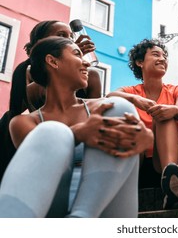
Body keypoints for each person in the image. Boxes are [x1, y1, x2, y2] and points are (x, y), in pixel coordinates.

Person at [0, 36, 153, 217]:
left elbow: (128, 160)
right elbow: (41, 166)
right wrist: (79, 133)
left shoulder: (103, 107)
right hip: (51, 209)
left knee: (119, 107)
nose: (86, 64)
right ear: (53, 61)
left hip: (105, 211)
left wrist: (145, 140)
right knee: (52, 132)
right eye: (77, 54)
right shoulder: (23, 122)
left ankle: (80, 218)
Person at [0, 20, 102, 182]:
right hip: (37, 142)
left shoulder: (91, 76)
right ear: (39, 44)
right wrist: (66, 59)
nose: (69, 40)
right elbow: (27, 105)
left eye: (70, 36)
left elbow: (96, 114)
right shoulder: (27, 71)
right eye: (61, 36)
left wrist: (73, 58)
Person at [107, 39, 178, 209]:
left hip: (172, 162)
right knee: (129, 123)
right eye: (155, 54)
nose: (162, 59)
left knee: (164, 115)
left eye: (164, 56)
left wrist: (173, 110)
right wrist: (136, 99)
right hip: (141, 162)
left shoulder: (176, 90)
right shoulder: (131, 92)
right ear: (140, 62)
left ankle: (172, 185)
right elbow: (110, 97)